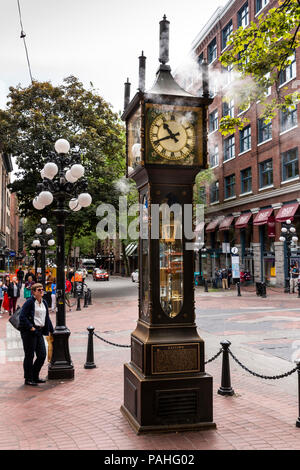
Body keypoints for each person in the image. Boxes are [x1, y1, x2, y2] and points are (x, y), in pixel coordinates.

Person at [19, 283, 54, 386]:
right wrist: (31, 327)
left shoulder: (44, 302)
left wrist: (52, 331)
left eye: (42, 289)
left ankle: (35, 376)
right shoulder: (29, 302)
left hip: (39, 332)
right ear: (33, 292)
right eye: (38, 290)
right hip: (29, 332)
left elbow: (47, 318)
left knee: (42, 355)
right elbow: (22, 317)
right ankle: (28, 378)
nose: (41, 291)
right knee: (29, 355)